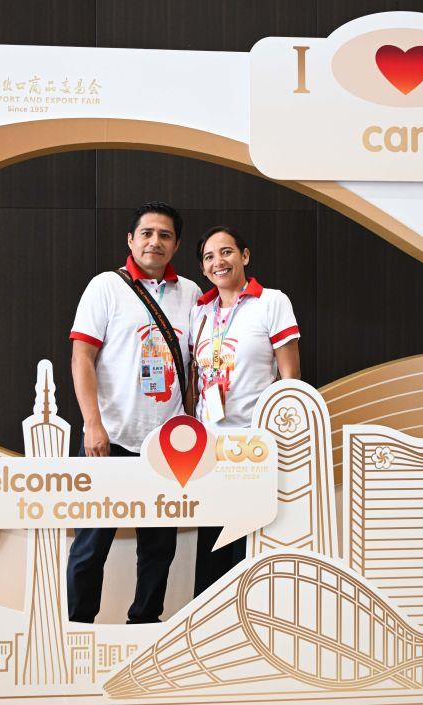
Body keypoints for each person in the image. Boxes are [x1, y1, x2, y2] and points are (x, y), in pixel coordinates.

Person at [67, 201, 201, 624]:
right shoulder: (105, 287)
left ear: (176, 245)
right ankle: (78, 629)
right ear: (130, 239)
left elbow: (197, 365)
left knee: (159, 548)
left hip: (167, 445)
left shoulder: (191, 294)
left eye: (165, 235)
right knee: (91, 545)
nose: (154, 242)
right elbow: (82, 357)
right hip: (109, 438)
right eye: (146, 233)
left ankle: (144, 625)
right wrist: (92, 425)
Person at [189, 226, 301, 596]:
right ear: (203, 268)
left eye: (226, 252)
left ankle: (245, 618)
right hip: (210, 448)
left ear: (245, 256)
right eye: (209, 257)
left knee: (247, 548)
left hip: (255, 449)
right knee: (211, 548)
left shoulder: (272, 302)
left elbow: (291, 380)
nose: (218, 262)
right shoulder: (199, 312)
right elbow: (196, 378)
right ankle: (206, 620)